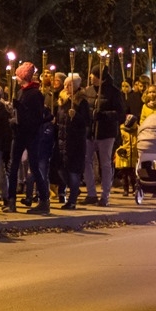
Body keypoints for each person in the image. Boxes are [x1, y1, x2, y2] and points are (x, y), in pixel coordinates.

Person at [6, 62, 52, 215]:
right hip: (19, 134)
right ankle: (11, 200)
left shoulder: (35, 93)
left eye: (19, 76)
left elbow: (36, 117)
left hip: (31, 135)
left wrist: (20, 113)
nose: (17, 79)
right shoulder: (21, 92)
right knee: (13, 167)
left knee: (34, 167)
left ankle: (44, 200)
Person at [82, 65, 125, 207]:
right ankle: (91, 193)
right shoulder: (88, 91)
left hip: (106, 133)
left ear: (101, 77)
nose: (91, 78)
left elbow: (120, 114)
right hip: (90, 132)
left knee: (105, 164)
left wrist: (104, 115)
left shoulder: (113, 92)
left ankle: (105, 195)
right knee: (86, 161)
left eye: (94, 76)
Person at [55, 73, 90, 209]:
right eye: (65, 84)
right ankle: (73, 188)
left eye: (69, 85)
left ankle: (72, 200)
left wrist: (76, 116)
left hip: (75, 142)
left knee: (73, 171)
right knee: (60, 169)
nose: (66, 87)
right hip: (62, 140)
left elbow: (86, 121)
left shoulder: (81, 101)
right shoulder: (62, 100)